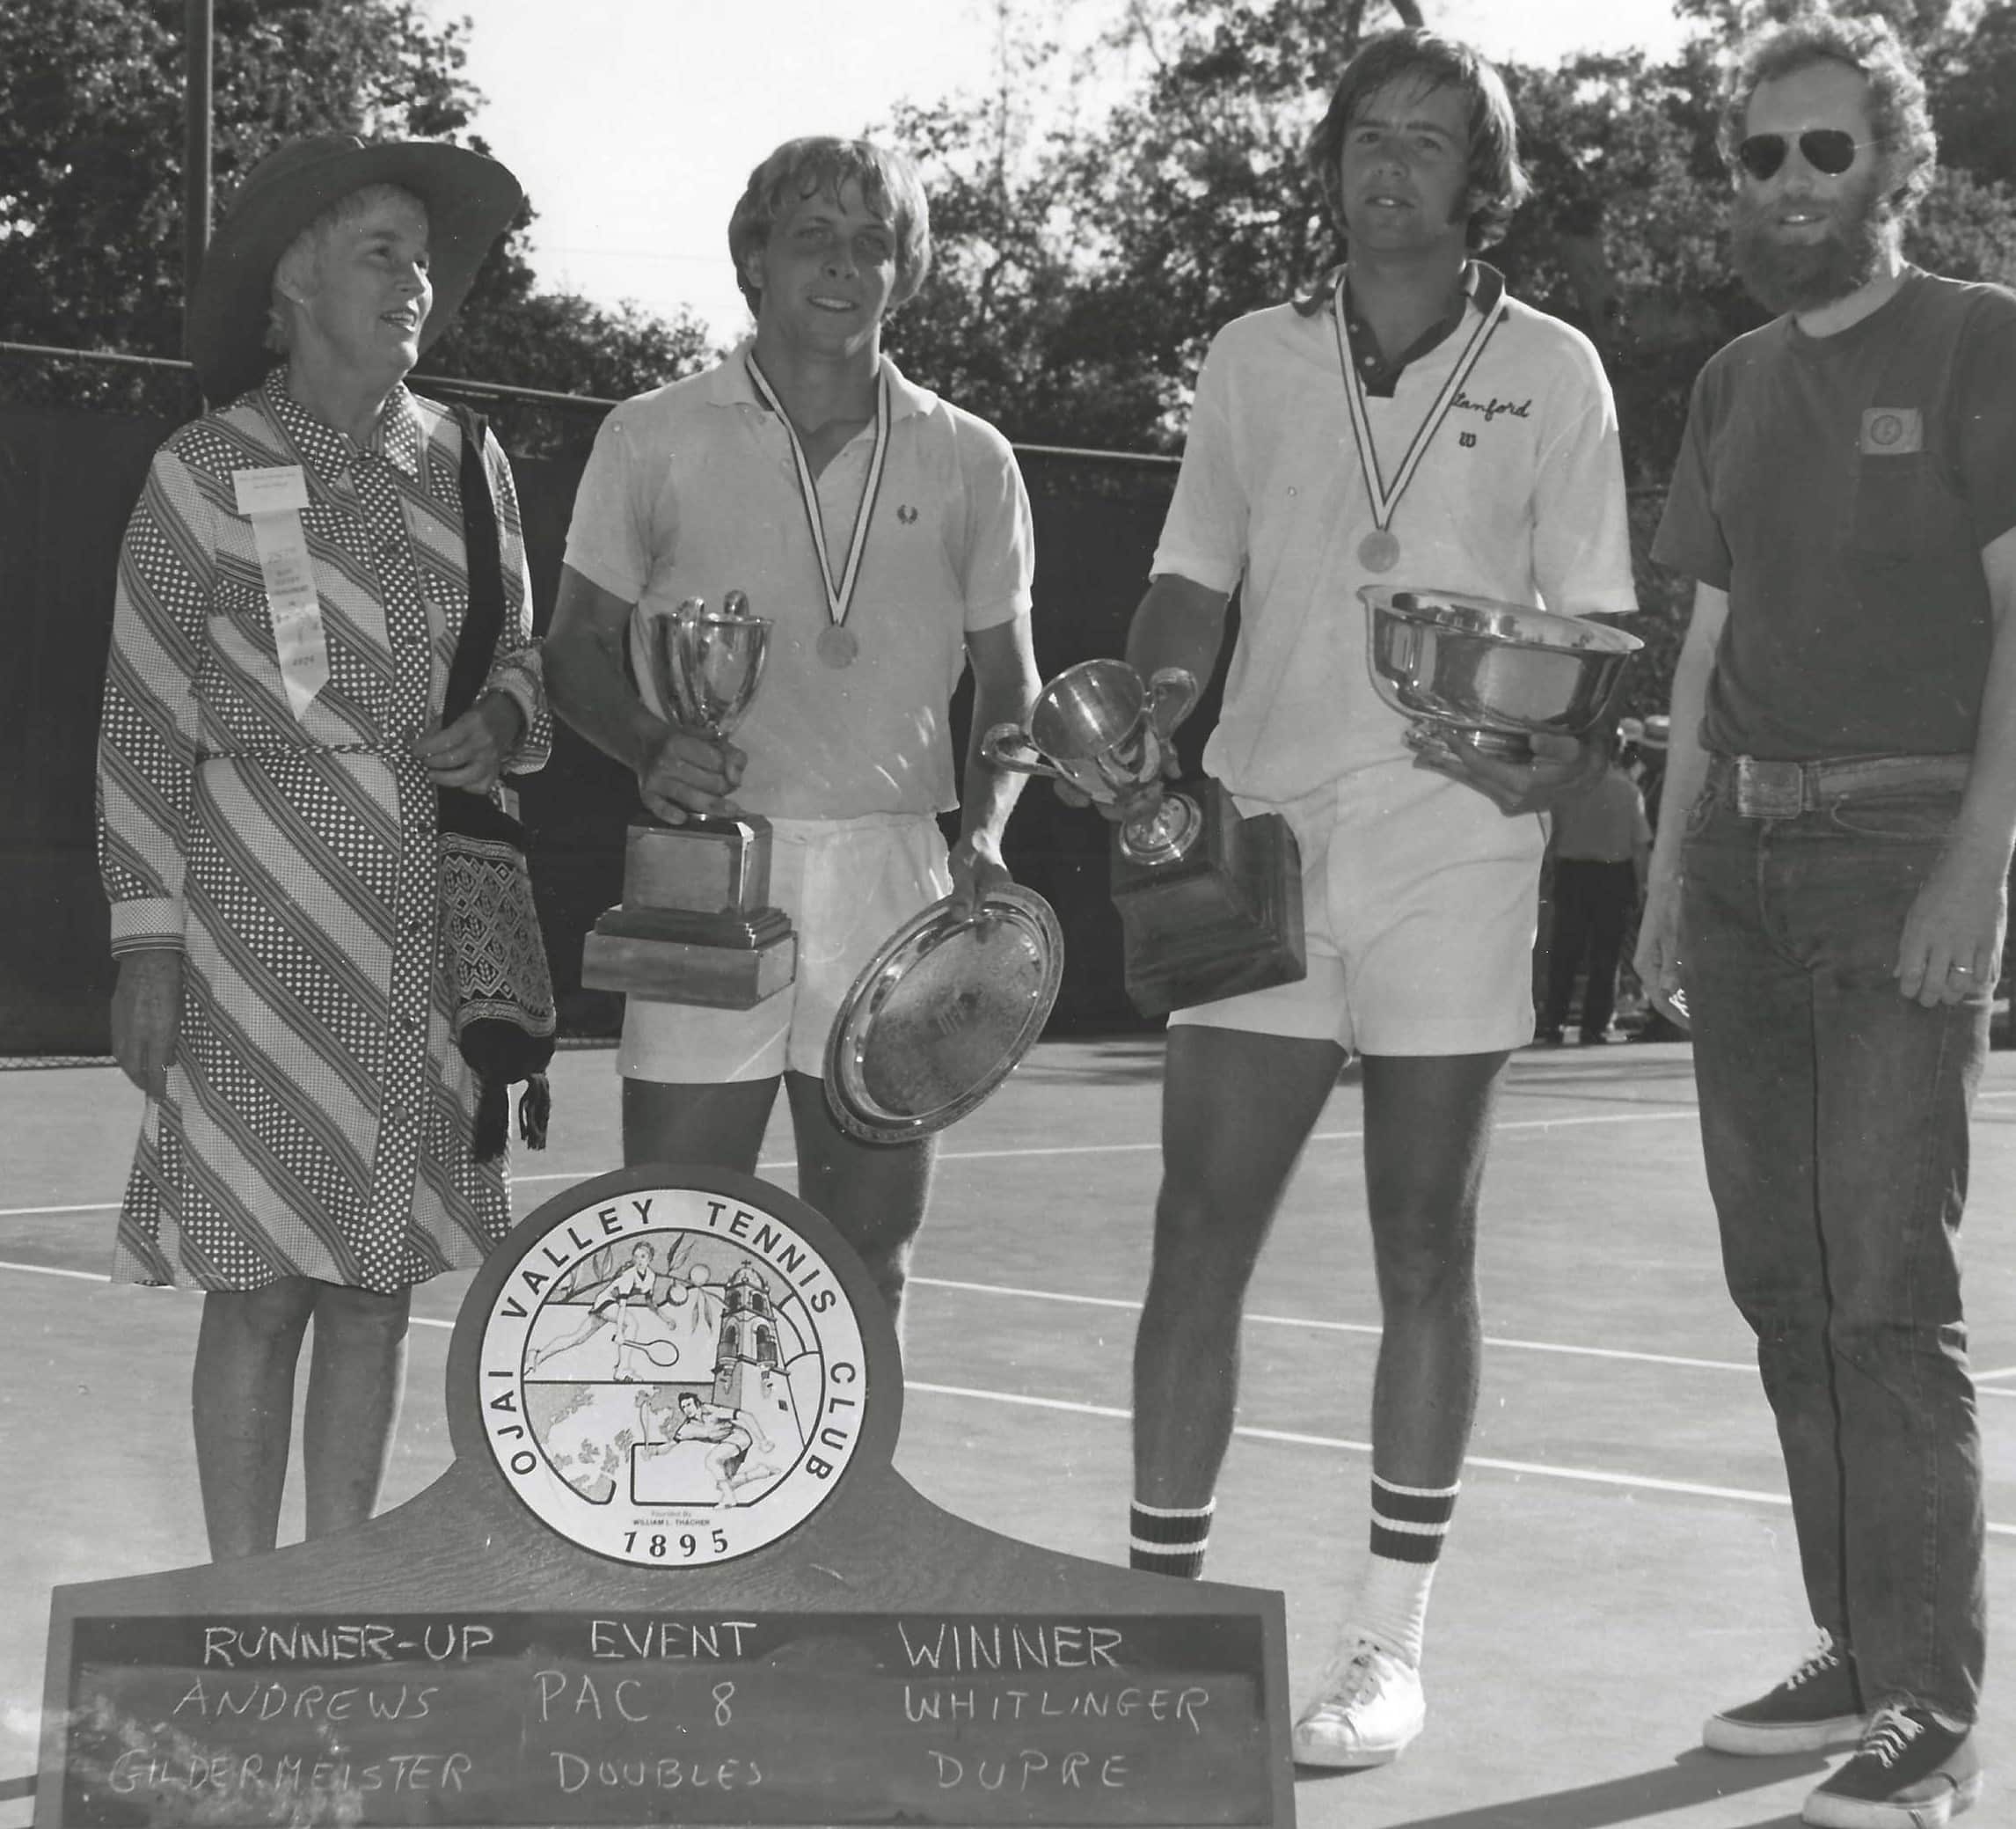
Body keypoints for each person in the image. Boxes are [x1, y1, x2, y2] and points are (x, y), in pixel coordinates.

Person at [1105, 29, 1636, 1769]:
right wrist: (1156, 699)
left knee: (1425, 1240)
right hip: (1259, 834)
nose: (1391, 165)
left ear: (1480, 182)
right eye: (1367, 136)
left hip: (1453, 842)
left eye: (1429, 141)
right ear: (1330, 163)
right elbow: (1192, 575)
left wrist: (1548, 753)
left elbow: (1590, 625)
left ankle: (1385, 1645)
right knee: (1199, 1231)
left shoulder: (1550, 367)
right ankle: (1164, 1627)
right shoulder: (1249, 355)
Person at [1636, 14, 2010, 1825]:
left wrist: (1977, 863)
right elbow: (1700, 654)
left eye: (1826, 149)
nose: (1789, 183)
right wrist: (1660, 877)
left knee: (1882, 1293)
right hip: (1739, 865)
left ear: (1894, 165)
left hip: (1896, 843)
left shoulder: (1980, 340)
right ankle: (1856, 1652)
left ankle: (1931, 1710)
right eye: (1760, 155)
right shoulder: (1727, 385)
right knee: (1783, 1290)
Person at [97, 135, 547, 1561]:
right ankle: (246, 1603)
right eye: (380, 253)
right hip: (251, 938)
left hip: (420, 932)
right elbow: (143, 716)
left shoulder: (470, 461)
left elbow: (521, 662)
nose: (415, 281)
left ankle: (334, 1597)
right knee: (259, 1286)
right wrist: (145, 943)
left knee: (375, 1287)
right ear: (293, 283)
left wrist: (499, 719)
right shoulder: (202, 468)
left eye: (424, 258)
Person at [544, 137, 1040, 1336]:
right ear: (754, 258)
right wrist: (651, 744)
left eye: (874, 243)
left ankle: (859, 1472)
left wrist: (985, 832)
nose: (844, 265)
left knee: (871, 1256)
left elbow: (1010, 686)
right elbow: (571, 650)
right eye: (813, 235)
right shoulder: (651, 433)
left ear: (905, 273)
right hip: (708, 874)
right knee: (677, 1245)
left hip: (894, 877)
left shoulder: (972, 456)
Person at [1536, 735, 1652, 1044]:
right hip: (1613, 876)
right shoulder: (1628, 791)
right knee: (1606, 954)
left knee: (1565, 950)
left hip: (1572, 872)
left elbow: (1552, 836)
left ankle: (1554, 1020)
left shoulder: (1567, 788)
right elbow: (1639, 845)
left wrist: (1549, 870)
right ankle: (1596, 1024)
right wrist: (1642, 885)